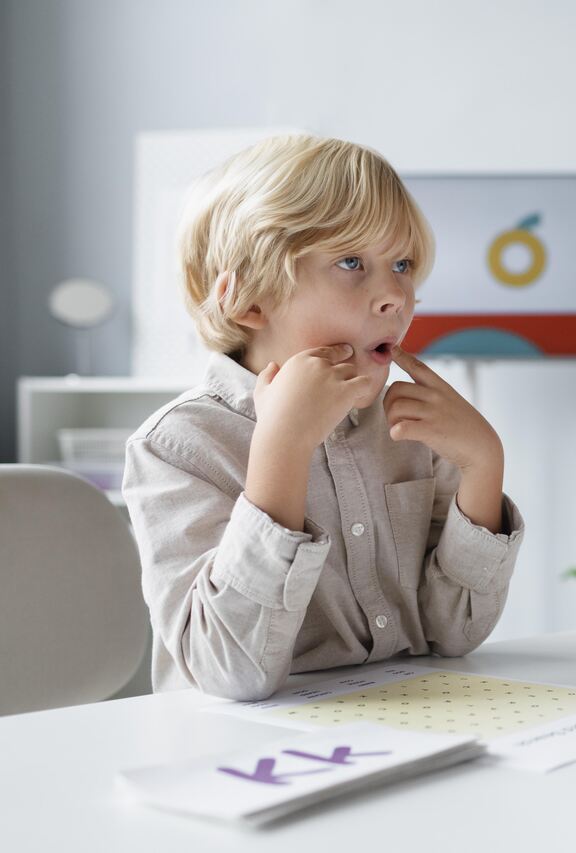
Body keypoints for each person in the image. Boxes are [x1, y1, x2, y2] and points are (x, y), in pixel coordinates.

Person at [123, 135, 523, 700]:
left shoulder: (411, 427)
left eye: (403, 264)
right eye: (351, 262)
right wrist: (282, 450)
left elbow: (454, 634)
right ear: (250, 302)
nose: (394, 296)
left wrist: (484, 466)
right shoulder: (178, 446)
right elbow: (228, 671)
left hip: (402, 724)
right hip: (237, 756)